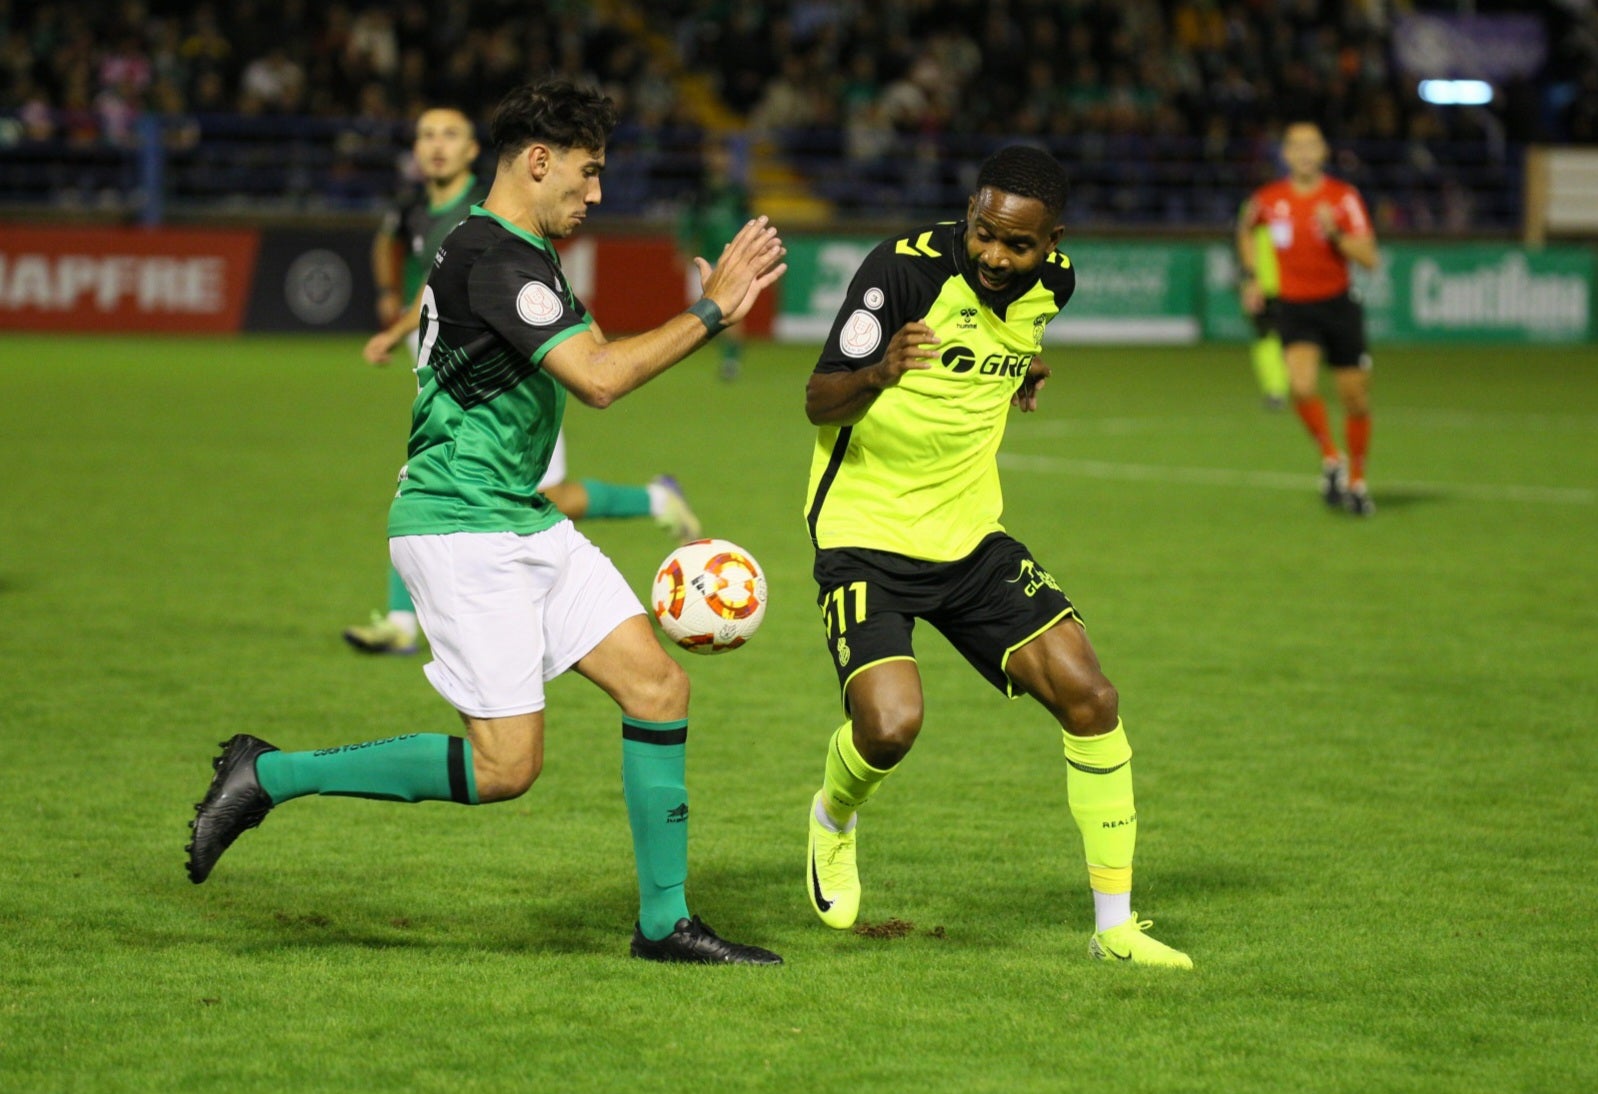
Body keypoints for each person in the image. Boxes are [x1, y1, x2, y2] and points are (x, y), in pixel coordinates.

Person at [188, 80, 789, 965]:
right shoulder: (496, 258)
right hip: (459, 526)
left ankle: (665, 924)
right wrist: (711, 314)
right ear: (537, 162)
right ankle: (270, 774)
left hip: (522, 517)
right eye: (586, 175)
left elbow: (595, 359)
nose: (596, 195)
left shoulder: (515, 253)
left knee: (659, 688)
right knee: (507, 770)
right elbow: (601, 379)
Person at [799, 146, 1191, 969]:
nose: (995, 257)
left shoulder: (1057, 285)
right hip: (865, 534)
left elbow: (1003, 345)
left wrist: (1022, 368)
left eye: (1019, 245)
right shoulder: (901, 273)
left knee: (1092, 697)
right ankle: (834, 818)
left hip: (971, 538)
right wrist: (881, 370)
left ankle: (1113, 926)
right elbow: (817, 398)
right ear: (969, 213)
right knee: (891, 726)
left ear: (1052, 241)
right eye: (984, 234)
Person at [348, 105, 700, 656]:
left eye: (450, 134)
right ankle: (401, 619)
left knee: (521, 488)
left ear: (472, 152)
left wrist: (710, 312)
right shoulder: (449, 221)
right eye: (425, 134)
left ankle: (655, 499)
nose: (435, 145)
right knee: (435, 472)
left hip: (513, 389)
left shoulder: (500, 232)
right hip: (471, 486)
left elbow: (596, 365)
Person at [1238, 121, 1380, 516]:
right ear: (1284, 154)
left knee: (1355, 399)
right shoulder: (1268, 199)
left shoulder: (1342, 198)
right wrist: (1251, 277)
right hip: (1295, 308)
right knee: (1300, 386)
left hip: (1338, 306)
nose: (1303, 152)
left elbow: (1370, 257)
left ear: (1323, 153)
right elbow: (1246, 230)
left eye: (1311, 145)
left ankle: (1357, 480)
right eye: (1295, 145)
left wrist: (1336, 235)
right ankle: (1332, 458)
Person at [676, 139, 751, 382]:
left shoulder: (737, 193)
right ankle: (721, 352)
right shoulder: (699, 192)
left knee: (729, 309)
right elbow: (688, 224)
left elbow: (747, 222)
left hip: (729, 259)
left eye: (722, 155)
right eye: (714, 155)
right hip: (704, 259)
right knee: (701, 310)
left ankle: (731, 358)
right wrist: (685, 250)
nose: (718, 160)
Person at [1241, 202, 1289, 410]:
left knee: (1292, 338)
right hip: (1265, 285)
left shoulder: (1298, 206)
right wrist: (1252, 279)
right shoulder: (1258, 206)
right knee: (1266, 336)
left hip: (1293, 286)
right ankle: (1275, 389)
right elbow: (1245, 238)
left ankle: (1284, 386)